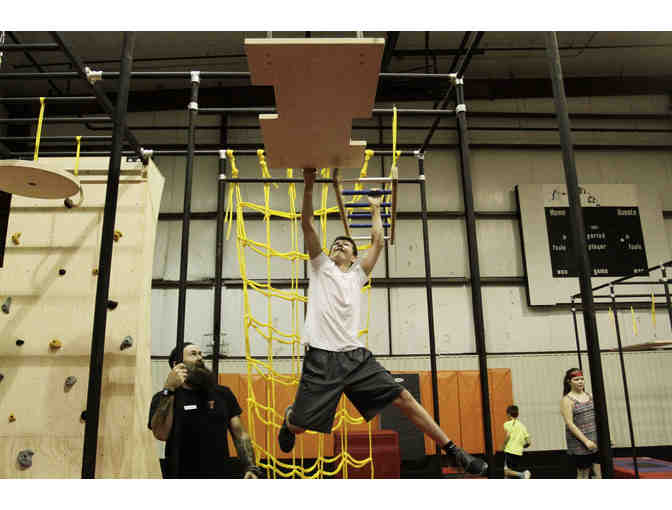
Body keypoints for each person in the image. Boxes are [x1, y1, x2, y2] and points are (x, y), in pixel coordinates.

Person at [276, 167, 488, 476]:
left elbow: (377, 241)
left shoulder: (358, 275)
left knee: (403, 397)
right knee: (298, 427)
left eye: (345, 244)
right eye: (335, 244)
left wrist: (376, 208)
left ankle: (454, 450)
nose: (338, 245)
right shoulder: (320, 267)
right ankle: (290, 418)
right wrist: (309, 187)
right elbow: (307, 224)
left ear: (353, 257)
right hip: (322, 358)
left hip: (355, 356)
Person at [149, 342, 261, 479]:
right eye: (193, 354)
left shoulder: (222, 393)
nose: (200, 358)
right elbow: (161, 434)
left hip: (220, 476)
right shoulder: (164, 397)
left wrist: (250, 467)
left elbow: (240, 434)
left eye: (200, 354)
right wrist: (169, 388)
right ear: (176, 365)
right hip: (181, 476)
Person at [561, 368, 601, 479]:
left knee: (599, 471)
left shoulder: (590, 396)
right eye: (576, 379)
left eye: (582, 379)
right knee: (583, 473)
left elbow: (598, 417)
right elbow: (569, 423)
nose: (580, 382)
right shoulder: (567, 400)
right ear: (569, 382)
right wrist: (586, 441)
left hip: (595, 438)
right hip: (580, 442)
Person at [502, 405, 532, 479]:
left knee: (506, 472)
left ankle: (522, 474)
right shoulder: (522, 426)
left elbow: (508, 436)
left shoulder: (507, 424)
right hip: (519, 452)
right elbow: (528, 442)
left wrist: (503, 445)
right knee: (508, 474)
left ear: (508, 414)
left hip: (509, 451)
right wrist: (523, 446)